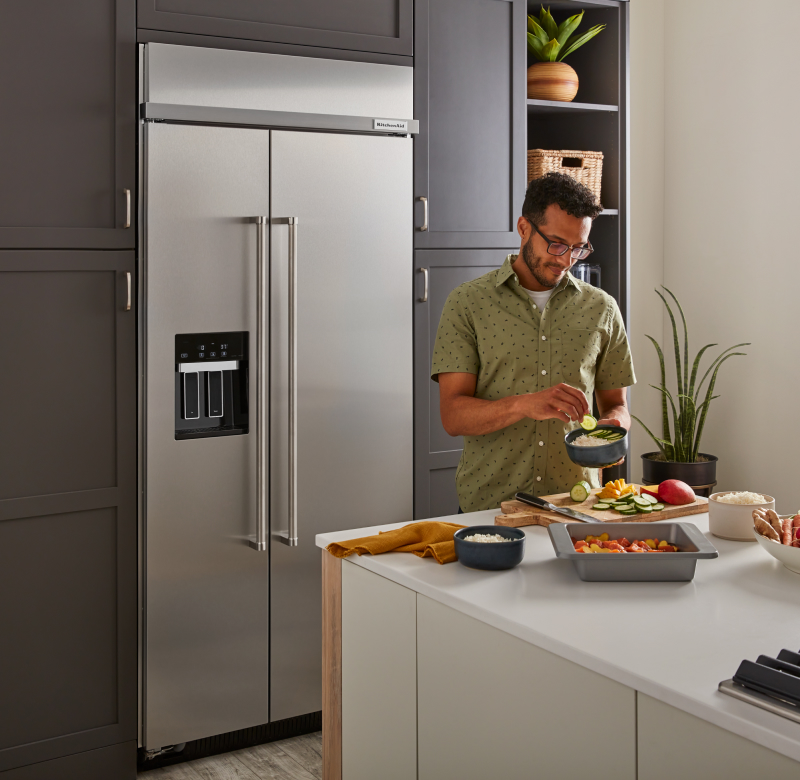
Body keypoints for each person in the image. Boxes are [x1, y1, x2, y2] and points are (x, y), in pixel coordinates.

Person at [431, 172, 636, 513]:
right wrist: (524, 404)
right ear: (524, 228)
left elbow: (617, 404)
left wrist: (616, 424)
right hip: (490, 508)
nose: (565, 259)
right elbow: (453, 416)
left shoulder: (602, 308)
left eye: (578, 248)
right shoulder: (467, 303)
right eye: (556, 244)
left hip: (576, 507)